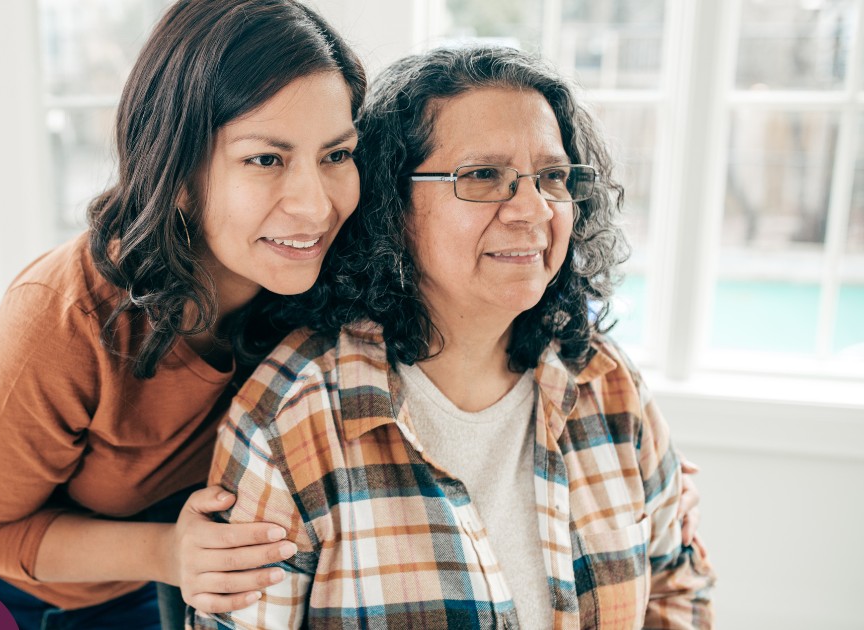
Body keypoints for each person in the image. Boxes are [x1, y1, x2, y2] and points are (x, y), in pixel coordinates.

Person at [0, 1, 366, 628]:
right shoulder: (63, 315)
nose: (315, 204)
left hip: (128, 555)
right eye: (265, 159)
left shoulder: (314, 287)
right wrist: (167, 553)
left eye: (336, 154)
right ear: (179, 171)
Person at [192, 45, 715, 630]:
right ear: (392, 203)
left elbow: (678, 591)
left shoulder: (608, 383)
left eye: (552, 177)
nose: (533, 209)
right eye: (483, 176)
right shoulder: (290, 420)